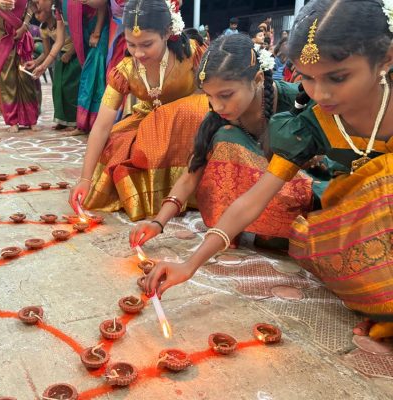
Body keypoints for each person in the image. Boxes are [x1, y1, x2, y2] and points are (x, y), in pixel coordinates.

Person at [144, 0, 393, 340]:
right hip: (359, 223)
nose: (320, 93)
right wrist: (189, 263)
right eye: (307, 77)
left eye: (337, 77)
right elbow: (252, 200)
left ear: (386, 58)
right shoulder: (313, 123)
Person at [129, 34, 328, 250]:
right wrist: (158, 222)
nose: (218, 106)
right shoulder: (217, 117)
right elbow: (189, 177)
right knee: (225, 137)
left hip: (308, 197)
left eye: (226, 95)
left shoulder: (299, 100)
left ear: (258, 79)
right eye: (209, 97)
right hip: (255, 206)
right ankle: (233, 229)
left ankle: (282, 230)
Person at [69, 0, 209, 221]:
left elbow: (214, 97)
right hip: (148, 121)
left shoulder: (191, 53)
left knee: (194, 112)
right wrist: (85, 179)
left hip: (189, 122)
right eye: (131, 45)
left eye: (147, 44)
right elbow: (102, 126)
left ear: (166, 33)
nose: (139, 53)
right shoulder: (124, 71)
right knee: (116, 144)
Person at [0, 0, 41, 132]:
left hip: (21, 23)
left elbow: (32, 5)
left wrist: (24, 26)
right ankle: (12, 121)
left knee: (25, 72)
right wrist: (0, 4)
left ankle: (31, 119)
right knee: (7, 74)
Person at [26, 0, 81, 130]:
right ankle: (62, 119)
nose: (37, 16)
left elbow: (77, 37)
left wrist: (70, 52)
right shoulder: (43, 28)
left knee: (70, 87)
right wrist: (35, 63)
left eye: (39, 12)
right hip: (60, 56)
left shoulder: (61, 16)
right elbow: (46, 52)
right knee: (57, 88)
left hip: (74, 53)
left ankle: (74, 120)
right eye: (36, 14)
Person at [66, 0, 110, 135]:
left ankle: (96, 124)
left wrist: (97, 33)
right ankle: (84, 124)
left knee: (95, 75)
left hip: (100, 30)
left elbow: (102, 6)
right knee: (88, 76)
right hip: (87, 31)